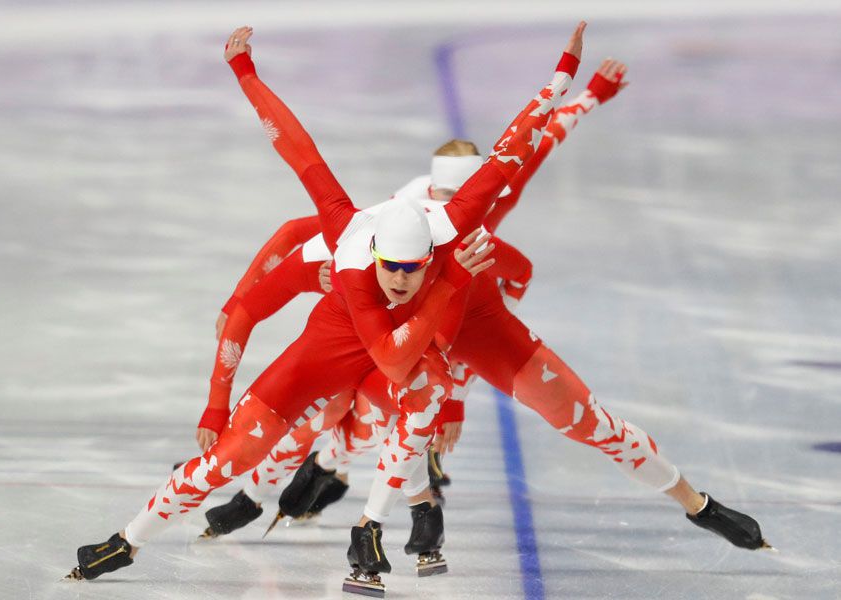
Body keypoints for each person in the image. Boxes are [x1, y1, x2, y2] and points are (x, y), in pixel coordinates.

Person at [66, 22, 586, 594]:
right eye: (390, 267)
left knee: (426, 390)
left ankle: (380, 518)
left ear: (435, 245)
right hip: (336, 360)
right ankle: (129, 539)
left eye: (417, 269)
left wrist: (563, 75)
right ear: (370, 253)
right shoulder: (339, 246)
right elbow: (294, 150)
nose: (400, 281)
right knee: (229, 458)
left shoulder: (454, 223)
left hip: (389, 367)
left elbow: (513, 151)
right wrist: (216, 407)